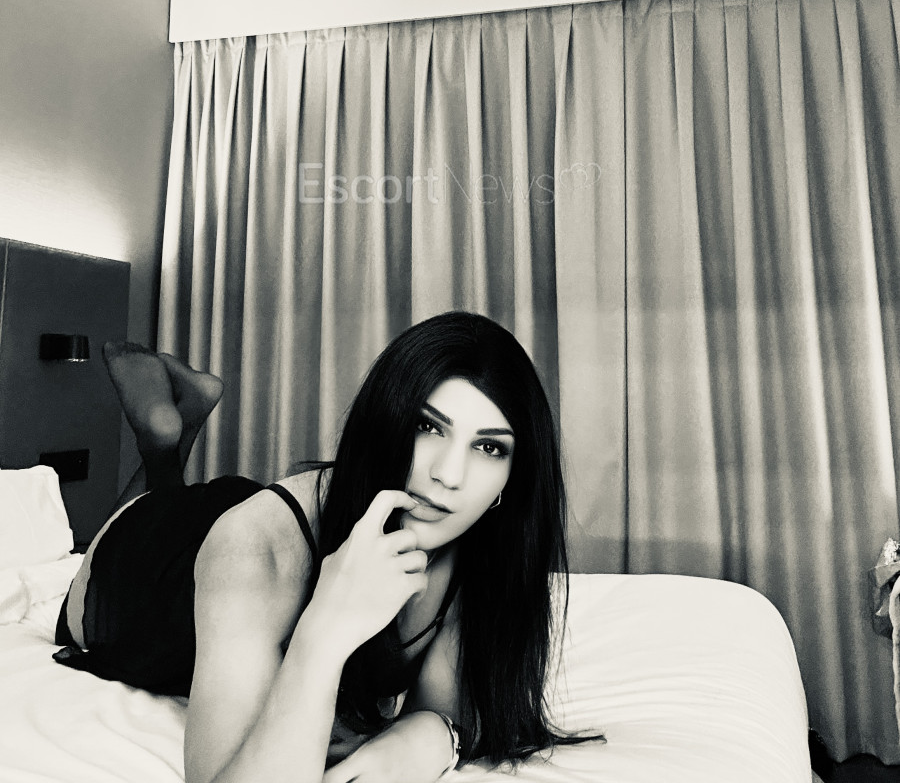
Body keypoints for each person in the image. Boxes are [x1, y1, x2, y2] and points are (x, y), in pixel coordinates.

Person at [54, 311, 597, 783]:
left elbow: (452, 710)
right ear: (385, 420)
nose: (449, 476)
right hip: (148, 568)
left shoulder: (470, 545)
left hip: (257, 520)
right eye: (428, 427)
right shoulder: (252, 551)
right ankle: (161, 444)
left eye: (489, 447)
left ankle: (171, 436)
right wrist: (324, 632)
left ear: (513, 476)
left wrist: (433, 737)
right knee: (147, 522)